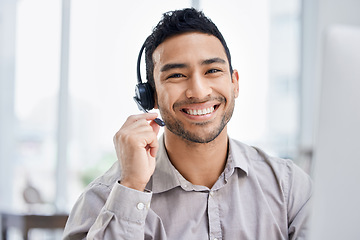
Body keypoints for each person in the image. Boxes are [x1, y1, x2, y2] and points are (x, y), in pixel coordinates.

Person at [63, 8, 312, 240]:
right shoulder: (103, 199)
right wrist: (131, 189)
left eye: (212, 70)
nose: (198, 91)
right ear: (150, 96)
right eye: (177, 75)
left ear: (234, 83)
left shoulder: (288, 188)